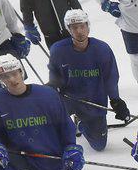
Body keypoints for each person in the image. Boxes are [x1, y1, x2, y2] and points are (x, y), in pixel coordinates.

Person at [47, 9, 129, 151]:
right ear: (69, 29)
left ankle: (81, 124)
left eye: (82, 26)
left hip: (94, 99)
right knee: (52, 134)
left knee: (99, 145)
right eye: (74, 27)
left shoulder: (102, 49)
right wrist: (52, 88)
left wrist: (115, 100)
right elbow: (55, 77)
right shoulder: (58, 50)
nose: (79, 31)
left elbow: (111, 77)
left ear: (88, 26)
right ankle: (67, 125)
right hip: (68, 99)